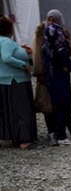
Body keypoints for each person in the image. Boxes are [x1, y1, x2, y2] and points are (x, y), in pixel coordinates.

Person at [42, 9, 71, 147]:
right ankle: (62, 136)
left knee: (60, 106)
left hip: (51, 76)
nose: (51, 23)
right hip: (59, 77)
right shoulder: (58, 35)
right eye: (50, 20)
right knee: (62, 107)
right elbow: (64, 56)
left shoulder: (46, 38)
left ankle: (62, 134)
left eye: (54, 20)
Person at [0, 16, 37, 150]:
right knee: (22, 110)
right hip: (16, 80)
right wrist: (24, 65)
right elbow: (6, 57)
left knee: (11, 111)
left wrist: (23, 51)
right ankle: (24, 139)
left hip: (5, 80)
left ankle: (15, 136)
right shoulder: (7, 42)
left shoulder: (3, 42)